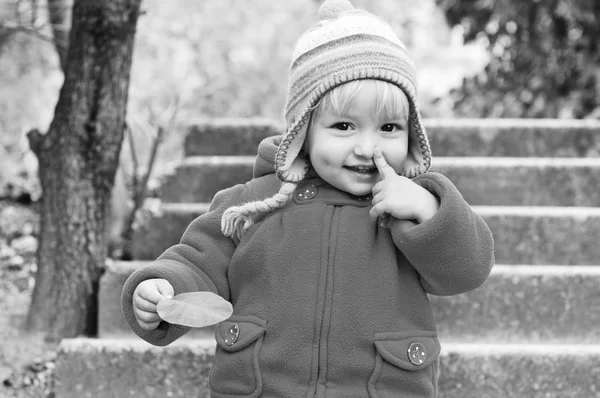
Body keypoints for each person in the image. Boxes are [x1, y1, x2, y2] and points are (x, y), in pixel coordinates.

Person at [121, 0, 495, 396]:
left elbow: (469, 268)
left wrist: (428, 210)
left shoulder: (409, 208)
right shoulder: (253, 204)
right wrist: (162, 288)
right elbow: (198, 263)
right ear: (303, 131)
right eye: (344, 126)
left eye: (388, 127)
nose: (368, 147)